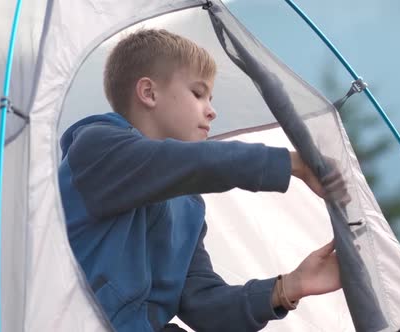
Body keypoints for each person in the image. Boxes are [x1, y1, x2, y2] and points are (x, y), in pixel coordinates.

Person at [58, 28, 349, 332]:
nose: (212, 112)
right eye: (198, 94)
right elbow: (187, 164)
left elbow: (203, 305)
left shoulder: (188, 204)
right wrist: (291, 164)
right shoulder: (97, 149)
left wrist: (289, 287)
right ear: (149, 93)